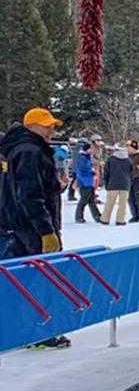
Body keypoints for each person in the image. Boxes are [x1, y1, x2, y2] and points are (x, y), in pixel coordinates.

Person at [0, 108, 69, 349]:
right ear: (31, 127)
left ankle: (28, 329)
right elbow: (30, 195)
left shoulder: (25, 150)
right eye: (47, 125)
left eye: (53, 126)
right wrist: (46, 230)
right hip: (30, 229)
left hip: (19, 227)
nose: (52, 130)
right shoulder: (29, 151)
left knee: (23, 280)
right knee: (35, 279)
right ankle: (36, 332)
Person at [100, 143, 133, 225]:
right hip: (125, 184)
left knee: (109, 203)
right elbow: (131, 173)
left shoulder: (111, 159)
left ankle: (105, 219)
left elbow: (106, 173)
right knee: (123, 205)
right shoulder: (128, 160)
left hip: (112, 184)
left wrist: (106, 183)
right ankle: (120, 220)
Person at [73, 141, 102, 223]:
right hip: (84, 181)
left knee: (91, 199)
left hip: (89, 181)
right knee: (84, 199)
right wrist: (91, 171)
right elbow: (82, 168)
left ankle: (97, 215)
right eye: (90, 148)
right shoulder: (82, 157)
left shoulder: (87, 157)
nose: (92, 150)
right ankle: (79, 216)